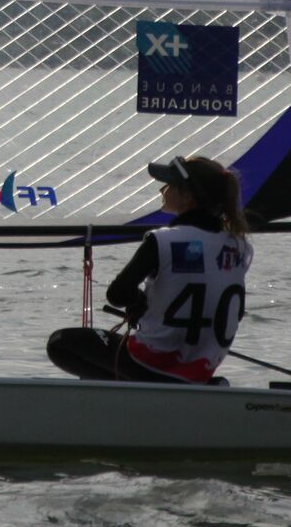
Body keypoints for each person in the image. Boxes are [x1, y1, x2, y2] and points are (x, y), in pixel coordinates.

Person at [45, 156, 253, 385]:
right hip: (199, 372)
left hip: (149, 365)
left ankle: (134, 395)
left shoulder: (163, 240)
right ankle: (195, 389)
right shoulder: (241, 247)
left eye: (170, 185)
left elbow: (117, 295)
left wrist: (138, 302)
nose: (162, 189)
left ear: (187, 197)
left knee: (60, 343)